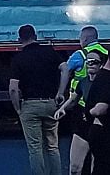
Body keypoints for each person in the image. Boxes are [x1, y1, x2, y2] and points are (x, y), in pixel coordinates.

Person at [9, 24, 69, 175]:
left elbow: (13, 88)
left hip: (29, 105)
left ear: (19, 40)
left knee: (35, 148)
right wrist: (60, 92)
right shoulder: (49, 52)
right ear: (35, 37)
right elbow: (65, 68)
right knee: (52, 146)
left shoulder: (18, 59)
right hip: (51, 103)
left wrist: (18, 108)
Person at [54, 50, 107, 175]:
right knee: (74, 168)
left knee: (97, 166)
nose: (90, 64)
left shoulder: (105, 83)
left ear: (101, 65)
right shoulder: (83, 81)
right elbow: (73, 98)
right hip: (83, 124)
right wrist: (62, 109)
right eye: (88, 62)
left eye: (94, 62)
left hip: (100, 126)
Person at [85, 56, 110, 175]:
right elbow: (99, 109)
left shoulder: (101, 77)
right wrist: (90, 112)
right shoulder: (107, 78)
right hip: (103, 131)